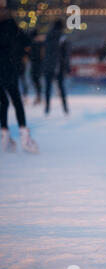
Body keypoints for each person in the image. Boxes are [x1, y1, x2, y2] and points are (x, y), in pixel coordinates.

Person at [0, 0, 38, 154]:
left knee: (2, 101)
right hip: (8, 67)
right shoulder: (10, 24)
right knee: (16, 100)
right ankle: (24, 136)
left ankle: (4, 135)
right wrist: (23, 54)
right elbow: (26, 41)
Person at [43, 19, 71, 115]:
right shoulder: (62, 37)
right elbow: (66, 54)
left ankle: (47, 107)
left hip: (48, 65)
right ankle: (65, 107)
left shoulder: (48, 35)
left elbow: (46, 50)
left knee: (48, 88)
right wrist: (67, 67)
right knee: (61, 88)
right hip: (58, 66)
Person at [29, 29, 45, 106]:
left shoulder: (38, 44)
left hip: (38, 64)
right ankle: (39, 96)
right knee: (36, 80)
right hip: (36, 64)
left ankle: (39, 96)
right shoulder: (36, 44)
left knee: (36, 80)